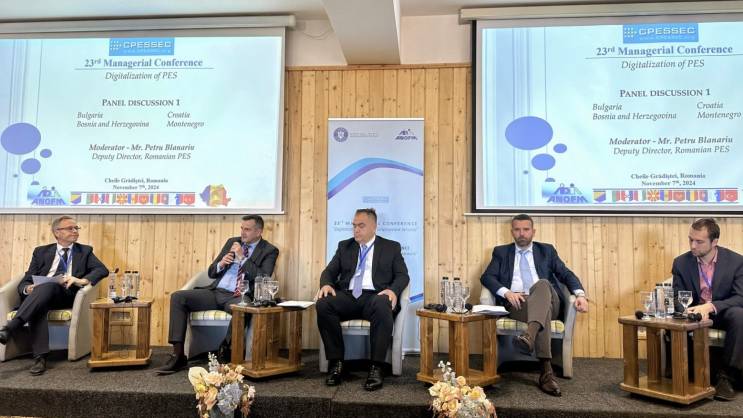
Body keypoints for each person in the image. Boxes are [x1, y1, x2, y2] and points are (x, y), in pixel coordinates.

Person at [480, 213, 588, 396]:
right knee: (542, 312)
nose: (522, 233)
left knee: (543, 284)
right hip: (519, 303)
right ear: (512, 232)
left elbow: (566, 274)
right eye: (517, 230)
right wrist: (507, 292)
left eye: (526, 229)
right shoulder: (501, 252)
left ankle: (529, 336)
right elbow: (487, 277)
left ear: (533, 231)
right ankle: (546, 372)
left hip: (549, 299)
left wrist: (580, 295)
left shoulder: (546, 250)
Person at [156, 215, 279, 374]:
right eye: (242, 228)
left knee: (243, 308)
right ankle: (178, 355)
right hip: (216, 292)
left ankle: (226, 350)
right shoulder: (232, 242)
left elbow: (263, 277)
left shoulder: (269, 250)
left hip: (239, 295)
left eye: (247, 229)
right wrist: (221, 264)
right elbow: (211, 272)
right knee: (178, 297)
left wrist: (242, 258)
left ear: (259, 231)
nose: (242, 233)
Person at [0, 215, 109, 375]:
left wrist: (80, 280)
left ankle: (11, 328)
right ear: (57, 232)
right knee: (41, 297)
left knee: (48, 287)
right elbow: (26, 280)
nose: (75, 231)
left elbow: (102, 270)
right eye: (70, 228)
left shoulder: (84, 251)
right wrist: (28, 288)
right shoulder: (41, 252)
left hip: (66, 294)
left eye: (76, 228)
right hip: (40, 295)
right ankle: (40, 358)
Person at [316, 208, 409, 391]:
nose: (356, 230)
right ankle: (336, 364)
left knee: (383, 303)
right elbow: (329, 271)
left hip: (375, 296)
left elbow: (402, 275)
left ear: (374, 227)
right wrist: (326, 284)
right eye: (354, 226)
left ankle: (376, 367)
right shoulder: (345, 246)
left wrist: (393, 290)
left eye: (361, 226)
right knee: (324, 304)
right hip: (349, 296)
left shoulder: (391, 247)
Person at [671, 218, 743, 401]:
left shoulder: (736, 262)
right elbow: (678, 296)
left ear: (714, 242)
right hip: (695, 313)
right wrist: (688, 311)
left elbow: (740, 297)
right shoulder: (681, 263)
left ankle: (727, 378)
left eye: (699, 241)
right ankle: (680, 373)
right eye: (690, 240)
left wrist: (710, 306)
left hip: (722, 311)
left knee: (739, 315)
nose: (693, 246)